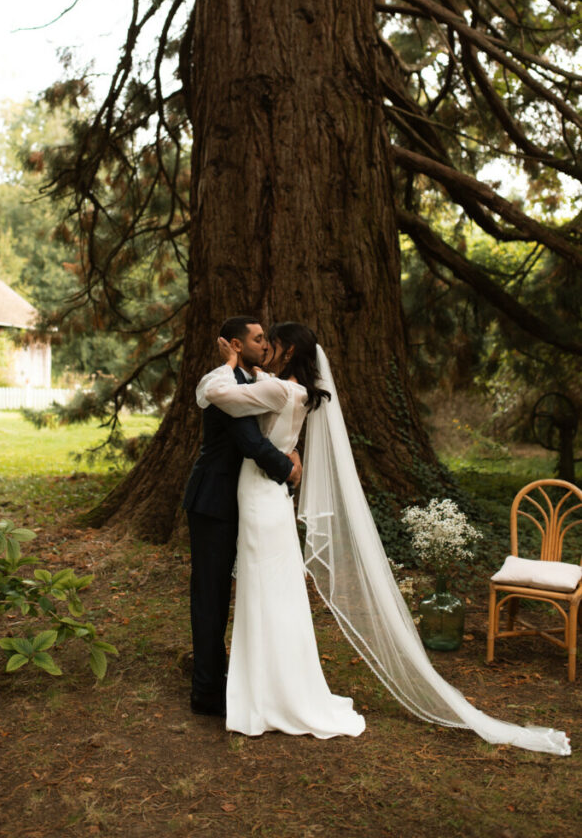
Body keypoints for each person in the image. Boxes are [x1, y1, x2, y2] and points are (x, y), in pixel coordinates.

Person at [196, 322, 571, 755]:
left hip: (262, 496)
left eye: (272, 343)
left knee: (266, 592)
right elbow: (245, 390)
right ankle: (270, 687)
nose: (266, 350)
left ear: (289, 350)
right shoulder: (285, 388)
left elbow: (217, 394)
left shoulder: (283, 391)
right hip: (269, 497)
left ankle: (268, 695)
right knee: (274, 593)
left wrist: (227, 361)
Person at [183, 316, 302, 717]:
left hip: (245, 501)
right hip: (213, 501)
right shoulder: (226, 386)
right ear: (236, 344)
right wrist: (287, 470)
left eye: (267, 338)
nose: (266, 344)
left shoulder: (255, 383)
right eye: (258, 338)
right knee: (211, 595)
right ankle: (207, 693)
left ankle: (246, 678)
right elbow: (249, 441)